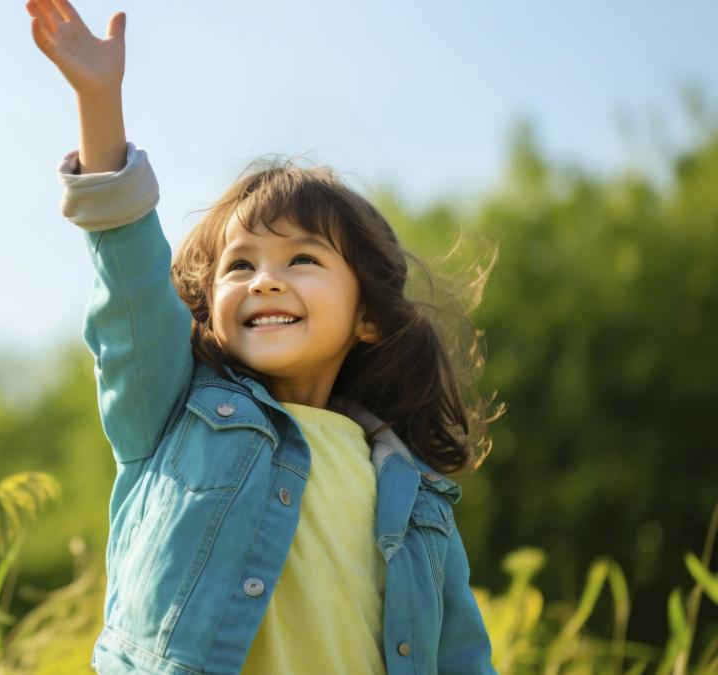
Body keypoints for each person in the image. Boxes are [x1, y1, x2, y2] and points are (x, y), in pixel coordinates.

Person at [25, 0, 505, 672]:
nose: (265, 281)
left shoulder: (414, 494)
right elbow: (130, 280)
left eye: (302, 260)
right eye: (240, 264)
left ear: (367, 316)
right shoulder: (170, 413)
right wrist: (100, 100)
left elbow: (460, 656)